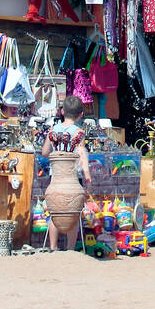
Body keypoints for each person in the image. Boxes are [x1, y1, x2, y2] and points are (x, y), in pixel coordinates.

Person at [41, 94, 91, 251]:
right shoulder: (79, 133)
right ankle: (70, 248)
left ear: (62, 111)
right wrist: (88, 176)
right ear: (81, 114)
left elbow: (44, 152)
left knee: (55, 212)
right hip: (72, 178)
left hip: (55, 176)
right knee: (73, 212)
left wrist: (57, 158)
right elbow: (82, 154)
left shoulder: (53, 130)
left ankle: (53, 247)